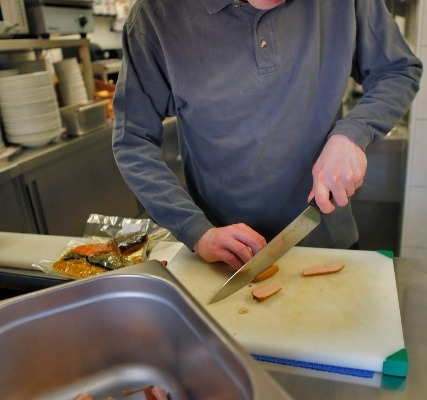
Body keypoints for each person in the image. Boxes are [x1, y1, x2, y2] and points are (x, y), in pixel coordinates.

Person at [112, 0, 422, 270]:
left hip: (327, 243)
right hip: (221, 257)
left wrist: (354, 133)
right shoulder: (155, 17)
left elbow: (396, 70)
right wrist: (195, 230)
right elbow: (133, 140)